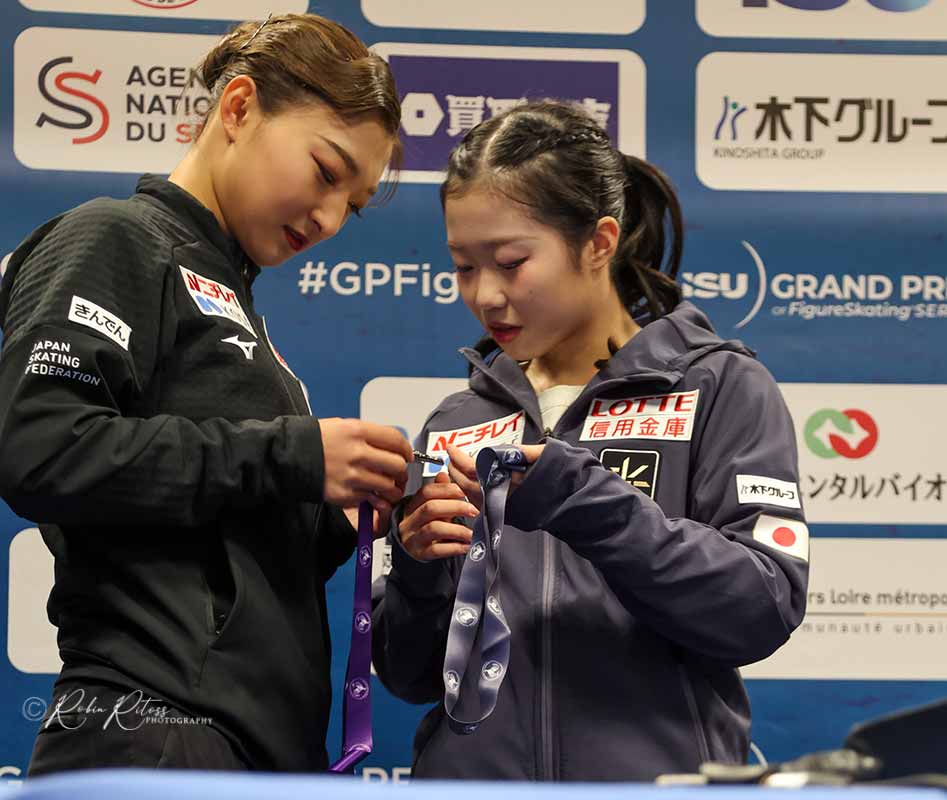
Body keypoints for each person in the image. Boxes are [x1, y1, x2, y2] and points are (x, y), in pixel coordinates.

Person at [0, 13, 414, 774]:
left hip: (252, 746)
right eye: (326, 172)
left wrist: (345, 518)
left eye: (351, 206)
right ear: (239, 106)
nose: (329, 219)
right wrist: (293, 455)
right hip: (151, 725)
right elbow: (41, 447)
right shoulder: (114, 236)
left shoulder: (237, 306)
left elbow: (224, 552)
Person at [372, 100, 809, 781]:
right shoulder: (457, 419)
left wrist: (583, 500)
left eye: (511, 262)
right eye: (462, 266)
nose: (485, 295)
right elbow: (410, 675)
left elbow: (760, 608)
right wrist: (416, 564)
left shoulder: (719, 387)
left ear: (599, 243)